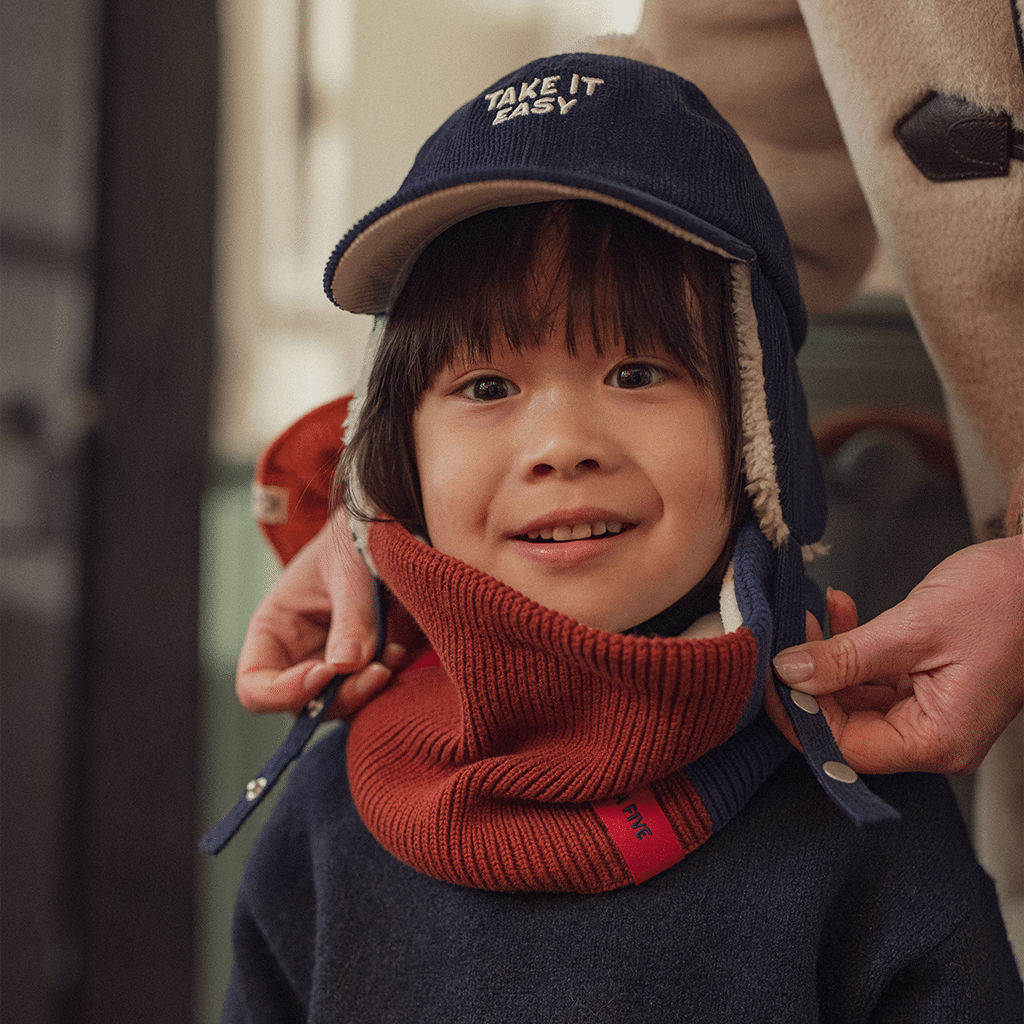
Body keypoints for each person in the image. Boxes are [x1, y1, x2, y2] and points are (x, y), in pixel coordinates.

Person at [218, 53, 1022, 1021]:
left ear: (758, 443)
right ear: (397, 463)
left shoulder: (866, 817)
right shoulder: (324, 819)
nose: (561, 445)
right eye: (485, 387)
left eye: (638, 372)